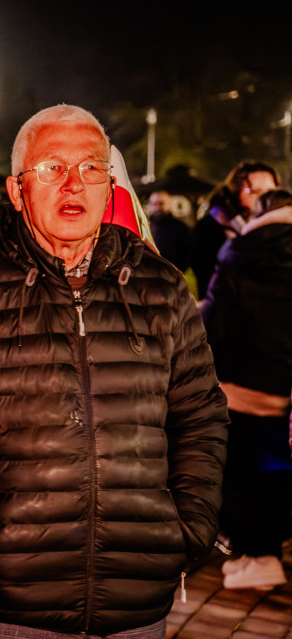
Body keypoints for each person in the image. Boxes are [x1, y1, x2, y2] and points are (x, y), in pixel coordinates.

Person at [0, 104, 229, 637]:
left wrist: (188, 528)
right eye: (52, 168)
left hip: (135, 600)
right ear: (18, 190)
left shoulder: (159, 287)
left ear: (109, 185)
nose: (74, 183)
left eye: (91, 168)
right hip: (2, 604)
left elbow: (201, 415)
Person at [200, 188, 292, 590]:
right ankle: (264, 555)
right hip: (284, 394)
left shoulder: (239, 253)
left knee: (238, 476)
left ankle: (260, 556)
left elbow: (215, 320)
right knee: (274, 476)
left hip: (241, 386)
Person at [191, 161, 278, 298]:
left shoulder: (277, 228)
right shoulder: (209, 227)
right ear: (236, 189)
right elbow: (205, 275)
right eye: (256, 191)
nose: (264, 198)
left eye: (271, 192)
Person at [146, 190, 193, 272]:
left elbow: (188, 253)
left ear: (169, 205)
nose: (158, 208)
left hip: (171, 274)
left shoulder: (180, 228)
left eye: (161, 203)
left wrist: (178, 271)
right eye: (154, 204)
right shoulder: (144, 226)